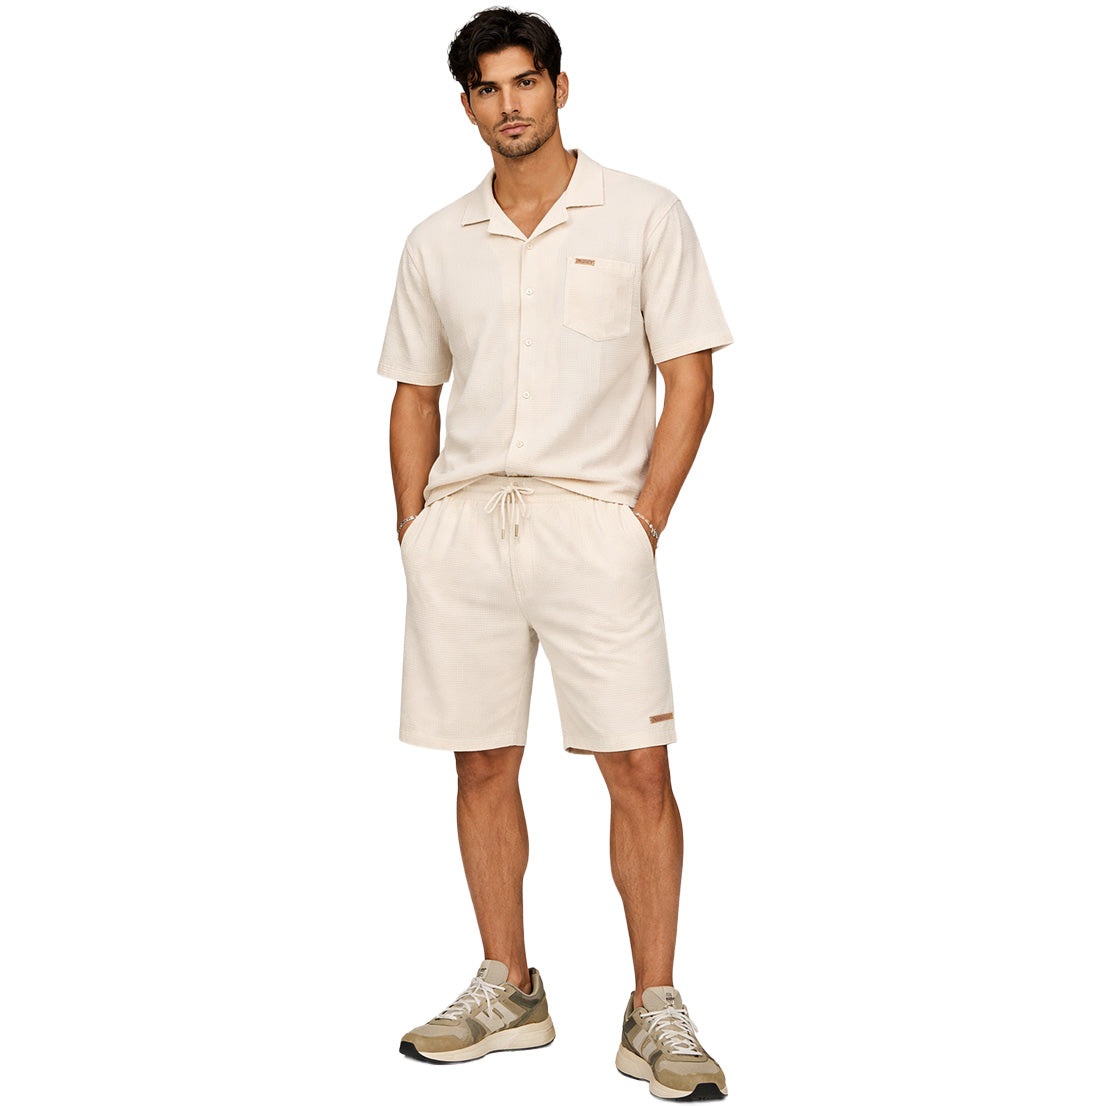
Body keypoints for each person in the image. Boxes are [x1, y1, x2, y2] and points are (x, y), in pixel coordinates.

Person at [377, 7, 732, 1098]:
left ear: (560, 87)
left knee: (638, 764)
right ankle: (508, 985)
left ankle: (654, 1005)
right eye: (486, 89)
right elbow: (414, 392)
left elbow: (689, 377)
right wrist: (414, 529)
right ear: (466, 106)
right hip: (466, 530)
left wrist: (643, 521)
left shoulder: (643, 213)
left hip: (593, 525)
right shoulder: (436, 240)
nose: (509, 105)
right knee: (481, 760)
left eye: (524, 81)